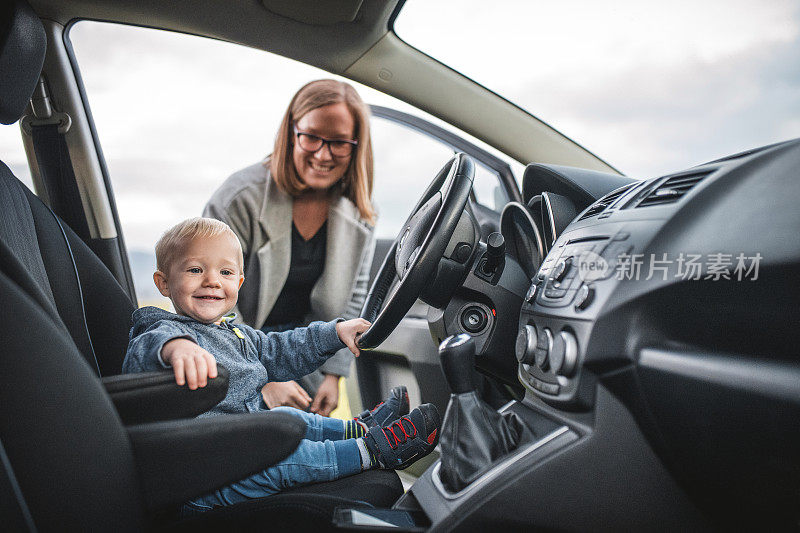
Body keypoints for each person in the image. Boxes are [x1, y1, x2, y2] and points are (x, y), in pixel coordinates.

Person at [122, 218, 438, 512]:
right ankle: (373, 451)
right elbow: (147, 346)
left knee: (288, 417)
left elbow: (283, 348)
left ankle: (360, 428)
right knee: (291, 458)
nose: (212, 281)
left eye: (226, 273)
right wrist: (177, 349)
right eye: (194, 270)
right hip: (203, 476)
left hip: (244, 445)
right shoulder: (164, 329)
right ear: (163, 284)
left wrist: (335, 332)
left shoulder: (234, 332)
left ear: (239, 281)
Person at [203, 79, 376, 416]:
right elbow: (212, 300)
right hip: (235, 349)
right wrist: (260, 376)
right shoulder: (239, 199)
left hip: (306, 348)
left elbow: (354, 295)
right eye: (311, 137)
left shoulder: (361, 213)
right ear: (290, 132)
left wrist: (333, 374)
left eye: (339, 142)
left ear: (356, 147)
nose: (323, 154)